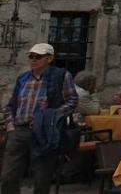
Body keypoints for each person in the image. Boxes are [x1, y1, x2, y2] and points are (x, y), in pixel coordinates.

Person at [1, 43, 78, 194]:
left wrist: (53, 116)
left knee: (42, 178)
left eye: (38, 57)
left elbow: (72, 100)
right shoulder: (23, 78)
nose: (33, 60)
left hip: (44, 131)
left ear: (49, 58)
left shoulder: (61, 76)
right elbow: (11, 104)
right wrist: (10, 126)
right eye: (31, 56)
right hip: (19, 129)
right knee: (8, 176)